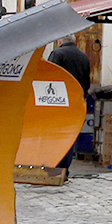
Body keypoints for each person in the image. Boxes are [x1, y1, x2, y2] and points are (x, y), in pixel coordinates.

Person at [46, 37, 92, 174]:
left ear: (60, 41)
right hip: (75, 102)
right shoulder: (83, 56)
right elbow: (86, 82)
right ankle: (64, 169)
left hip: (57, 103)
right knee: (69, 136)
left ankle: (53, 167)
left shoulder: (57, 54)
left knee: (54, 136)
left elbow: (49, 78)